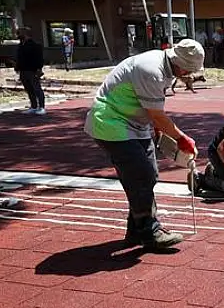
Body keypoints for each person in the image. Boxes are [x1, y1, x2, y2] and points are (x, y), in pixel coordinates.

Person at [84, 39, 206, 250]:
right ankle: (150, 231)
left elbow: (152, 108)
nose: (189, 74)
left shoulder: (165, 68)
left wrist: (159, 129)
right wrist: (181, 138)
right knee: (142, 175)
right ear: (179, 62)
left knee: (148, 175)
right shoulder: (152, 69)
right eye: (188, 69)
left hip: (134, 124)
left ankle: (136, 230)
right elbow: (157, 115)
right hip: (112, 122)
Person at [14, 27, 46, 115]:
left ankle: (42, 107)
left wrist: (39, 69)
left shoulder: (35, 45)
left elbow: (40, 58)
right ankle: (33, 106)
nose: (18, 36)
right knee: (29, 89)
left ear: (25, 34)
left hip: (32, 70)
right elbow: (19, 58)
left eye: (19, 34)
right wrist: (17, 67)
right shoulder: (20, 46)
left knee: (37, 88)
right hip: (23, 70)